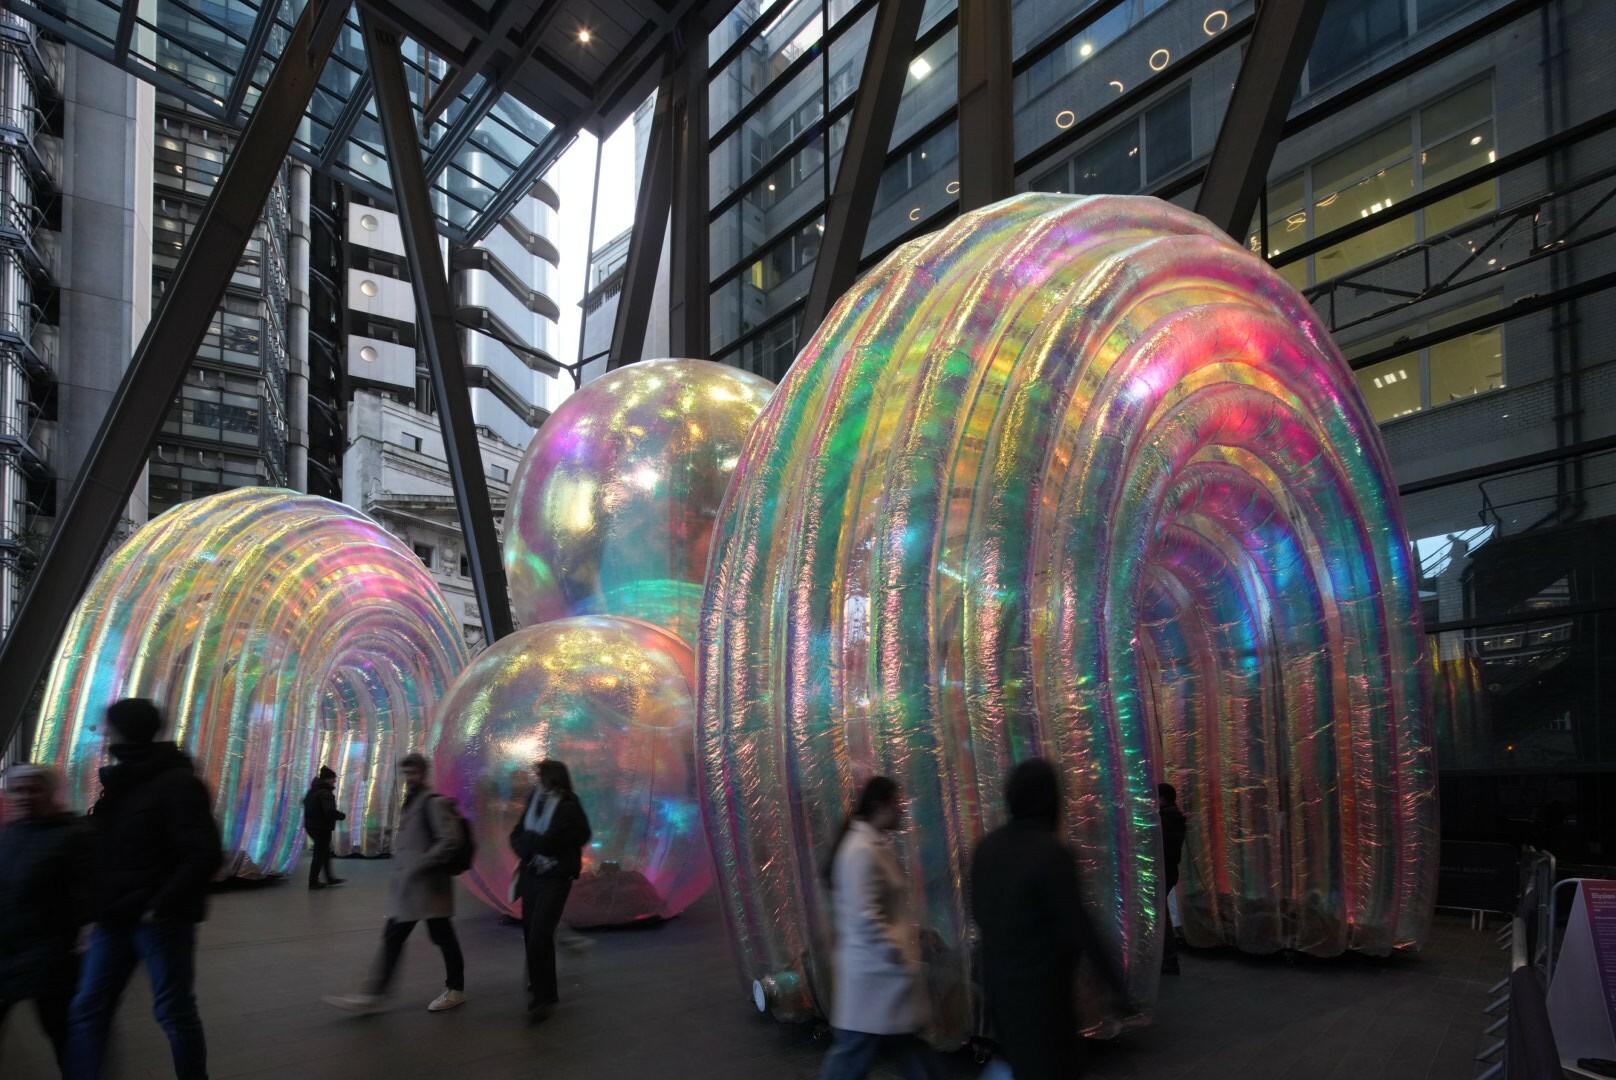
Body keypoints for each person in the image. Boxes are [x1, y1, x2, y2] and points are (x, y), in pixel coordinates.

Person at [68, 698, 224, 1080]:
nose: (102, 732)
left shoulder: (175, 783)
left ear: (123, 729)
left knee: (173, 1012)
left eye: (107, 725)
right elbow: (108, 855)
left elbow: (203, 852)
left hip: (158, 921)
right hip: (115, 917)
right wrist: (93, 914)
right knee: (89, 1008)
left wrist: (160, 905)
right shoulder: (124, 780)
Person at [970, 759, 1132, 1080]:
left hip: (999, 986)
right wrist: (1117, 988)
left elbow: (980, 915)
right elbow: (1079, 928)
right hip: (1043, 994)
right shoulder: (1050, 852)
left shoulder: (987, 847)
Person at [818, 776, 943, 1080]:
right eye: (896, 803)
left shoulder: (866, 844)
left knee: (901, 1048)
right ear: (879, 806)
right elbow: (865, 915)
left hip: (879, 976)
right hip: (877, 974)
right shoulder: (862, 850)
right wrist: (898, 952)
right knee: (856, 1053)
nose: (901, 810)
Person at [325, 753, 464, 1014]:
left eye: (413, 773)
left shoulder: (432, 802)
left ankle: (454, 989)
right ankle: (375, 994)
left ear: (423, 773)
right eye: (406, 773)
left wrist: (419, 864)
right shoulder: (413, 800)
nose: (409, 778)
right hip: (414, 888)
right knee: (400, 937)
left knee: (440, 937)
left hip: (428, 887)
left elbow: (448, 841)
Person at [0, 764, 93, 1074]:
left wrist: (85, 936)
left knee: (64, 1035)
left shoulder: (75, 836)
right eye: (17, 790)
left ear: (51, 793)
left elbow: (90, 896)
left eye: (33, 789)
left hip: (52, 959)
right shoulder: (12, 833)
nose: (25, 796)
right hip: (8, 952)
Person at [509, 759, 592, 1017]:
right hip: (532, 873)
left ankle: (543, 995)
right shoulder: (536, 798)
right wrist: (531, 845)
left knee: (540, 935)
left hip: (556, 877)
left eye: (540, 774)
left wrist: (533, 843)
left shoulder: (568, 804)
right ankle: (543, 989)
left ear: (553, 777)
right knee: (531, 933)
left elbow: (557, 840)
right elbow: (517, 834)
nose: (537, 779)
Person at [1157, 782, 1187, 976]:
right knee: (1161, 915)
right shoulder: (1173, 816)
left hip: (1165, 871)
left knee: (1161, 917)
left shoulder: (1167, 817)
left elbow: (1161, 846)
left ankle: (1168, 960)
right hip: (1169, 870)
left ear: (1163, 799)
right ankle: (1167, 959)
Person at [302, 766, 347, 890]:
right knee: (320, 854)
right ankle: (313, 881)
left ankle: (329, 878)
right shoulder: (325, 793)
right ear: (328, 779)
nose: (335, 781)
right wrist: (341, 815)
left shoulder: (312, 791)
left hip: (312, 826)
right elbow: (328, 811)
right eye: (333, 778)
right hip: (321, 827)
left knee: (325, 853)